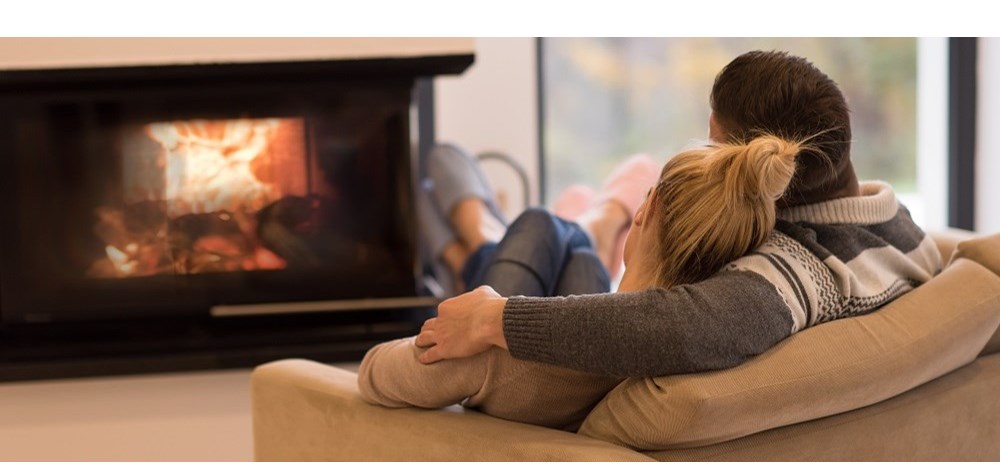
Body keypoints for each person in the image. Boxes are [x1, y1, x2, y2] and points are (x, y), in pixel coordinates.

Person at [411, 50, 943, 377]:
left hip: (541, 386)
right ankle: (495, 243)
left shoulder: (791, 272)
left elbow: (682, 330)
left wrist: (492, 317)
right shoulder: (903, 228)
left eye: (716, 149)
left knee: (533, 222)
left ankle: (486, 247)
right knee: (552, 229)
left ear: (755, 166)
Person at [359, 135, 802, 430]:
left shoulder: (492, 359)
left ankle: (483, 249)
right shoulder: (687, 352)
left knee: (457, 184)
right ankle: (558, 231)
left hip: (515, 367)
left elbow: (374, 373)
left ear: (646, 211)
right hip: (586, 328)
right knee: (578, 250)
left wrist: (478, 314)